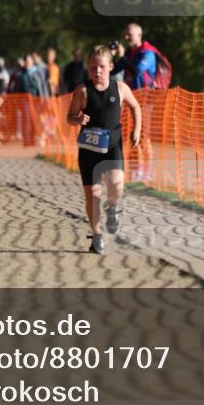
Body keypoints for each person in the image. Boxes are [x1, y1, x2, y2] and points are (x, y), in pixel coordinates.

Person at [66, 45, 142, 255]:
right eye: (92, 67)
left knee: (116, 187)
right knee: (93, 194)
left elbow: (135, 106)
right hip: (89, 148)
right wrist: (78, 119)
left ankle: (112, 207)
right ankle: (97, 234)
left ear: (110, 66)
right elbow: (69, 117)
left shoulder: (120, 88)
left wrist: (137, 129)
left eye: (101, 67)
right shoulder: (82, 91)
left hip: (112, 146)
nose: (97, 71)